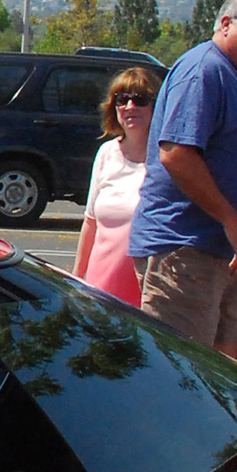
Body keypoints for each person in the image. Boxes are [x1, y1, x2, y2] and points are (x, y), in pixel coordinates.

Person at [128, 0, 237, 360]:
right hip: (186, 248)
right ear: (226, 23)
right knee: (181, 373)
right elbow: (176, 154)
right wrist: (231, 221)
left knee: (227, 366)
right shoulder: (204, 70)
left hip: (221, 250)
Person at [72, 64, 158, 303]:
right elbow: (90, 223)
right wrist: (77, 279)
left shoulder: (166, 159)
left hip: (148, 289)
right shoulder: (106, 153)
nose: (131, 107)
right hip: (101, 286)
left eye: (141, 99)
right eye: (123, 99)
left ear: (157, 105)